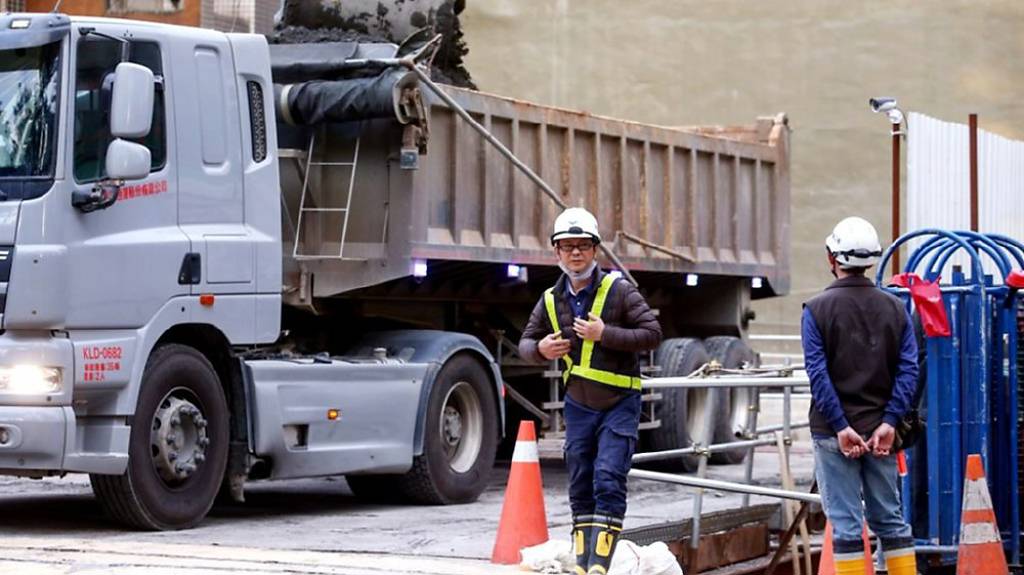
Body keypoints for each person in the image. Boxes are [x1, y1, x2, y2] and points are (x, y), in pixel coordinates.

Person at [519, 207, 662, 575]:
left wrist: (606, 335)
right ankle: (583, 564)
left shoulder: (619, 291)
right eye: (567, 247)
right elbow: (526, 343)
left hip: (620, 404)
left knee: (609, 476)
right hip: (579, 405)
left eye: (583, 246)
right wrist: (539, 351)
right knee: (581, 478)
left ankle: (600, 564)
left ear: (595, 249)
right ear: (556, 252)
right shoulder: (551, 299)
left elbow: (652, 335)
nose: (576, 253)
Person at [802, 216, 919, 575]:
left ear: (831, 258)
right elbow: (909, 370)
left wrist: (839, 426)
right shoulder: (895, 308)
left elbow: (818, 375)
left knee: (848, 527)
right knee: (891, 521)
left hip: (833, 435)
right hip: (880, 433)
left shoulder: (816, 309)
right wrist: (887, 424)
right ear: (871, 260)